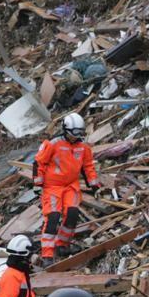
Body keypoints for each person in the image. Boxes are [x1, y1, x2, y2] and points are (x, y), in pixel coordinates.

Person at [32, 113, 101, 263]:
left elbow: (88, 167)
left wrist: (94, 185)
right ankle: (47, 254)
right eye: (72, 134)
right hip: (52, 187)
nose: (74, 138)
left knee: (72, 214)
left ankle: (62, 245)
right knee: (53, 217)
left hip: (71, 186)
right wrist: (38, 184)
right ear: (65, 130)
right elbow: (39, 163)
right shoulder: (53, 144)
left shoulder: (83, 148)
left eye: (78, 135)